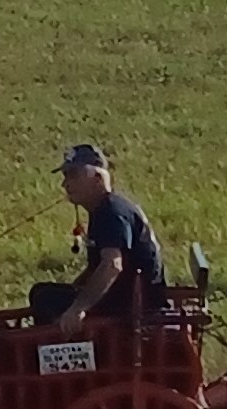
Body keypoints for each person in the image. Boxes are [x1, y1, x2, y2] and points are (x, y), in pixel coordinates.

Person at [28, 143, 166, 336]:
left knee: (46, 298)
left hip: (130, 304)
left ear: (98, 179)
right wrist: (77, 288)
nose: (65, 184)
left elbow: (112, 265)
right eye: (65, 176)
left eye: (73, 175)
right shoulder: (105, 210)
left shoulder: (112, 213)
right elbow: (98, 266)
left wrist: (78, 308)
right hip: (125, 297)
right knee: (43, 293)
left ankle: (56, 348)